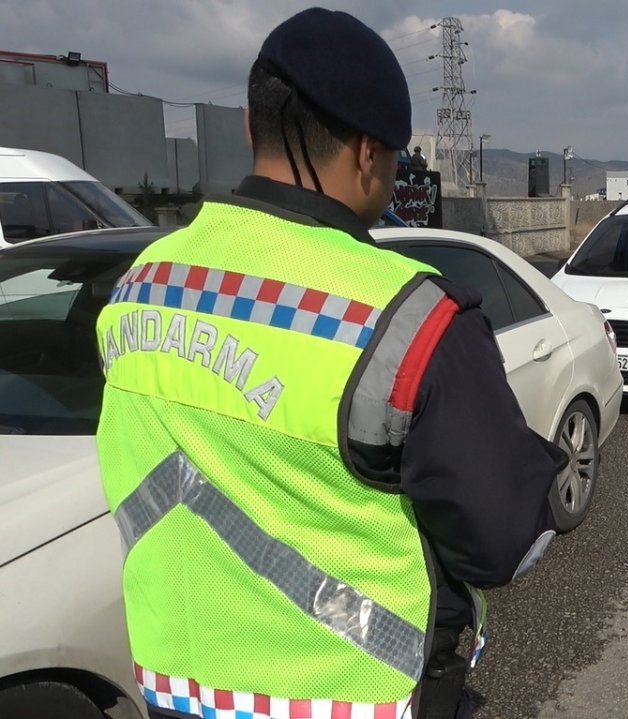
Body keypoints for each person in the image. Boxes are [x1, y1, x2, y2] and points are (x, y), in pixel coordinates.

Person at [94, 8, 564, 719]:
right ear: (371, 155)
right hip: (352, 700)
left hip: (175, 690)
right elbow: (501, 539)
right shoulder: (409, 318)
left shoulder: (142, 284)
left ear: (253, 130)